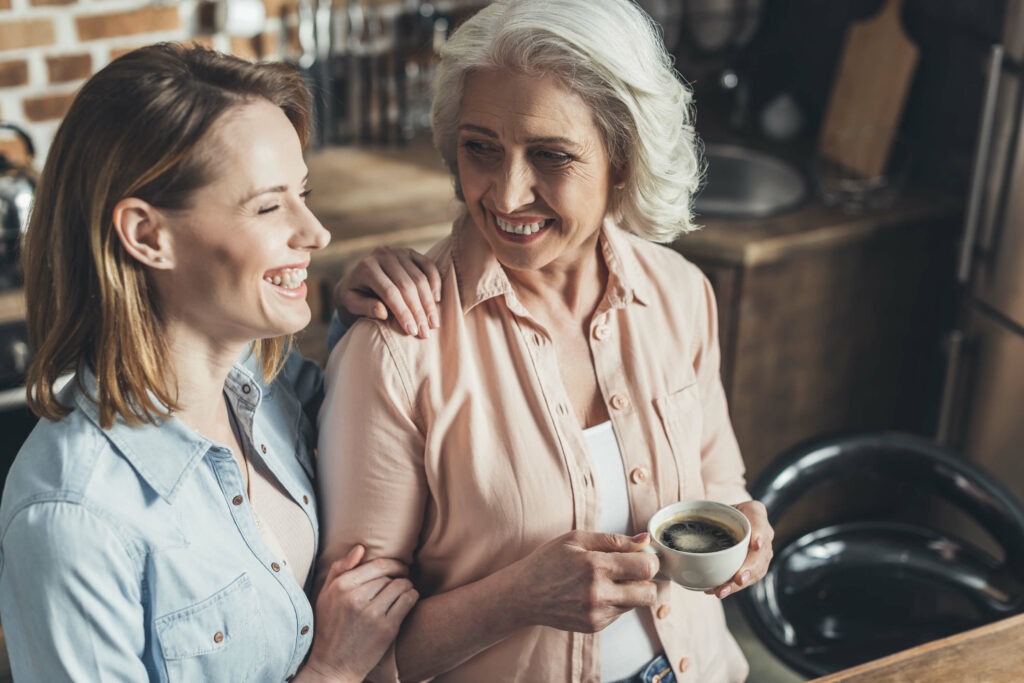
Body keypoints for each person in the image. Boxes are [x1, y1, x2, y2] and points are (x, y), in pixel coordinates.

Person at [316, 1, 775, 681]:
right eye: (481, 148)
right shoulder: (396, 346)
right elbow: (356, 655)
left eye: (551, 155)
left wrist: (747, 522)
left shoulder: (679, 292)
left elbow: (720, 484)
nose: (506, 193)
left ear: (623, 157)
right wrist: (518, 598)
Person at [0, 43, 440, 682]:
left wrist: (361, 323)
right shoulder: (73, 516)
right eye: (268, 206)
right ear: (148, 235)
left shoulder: (273, 387)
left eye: (303, 193)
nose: (315, 232)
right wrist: (331, 671)